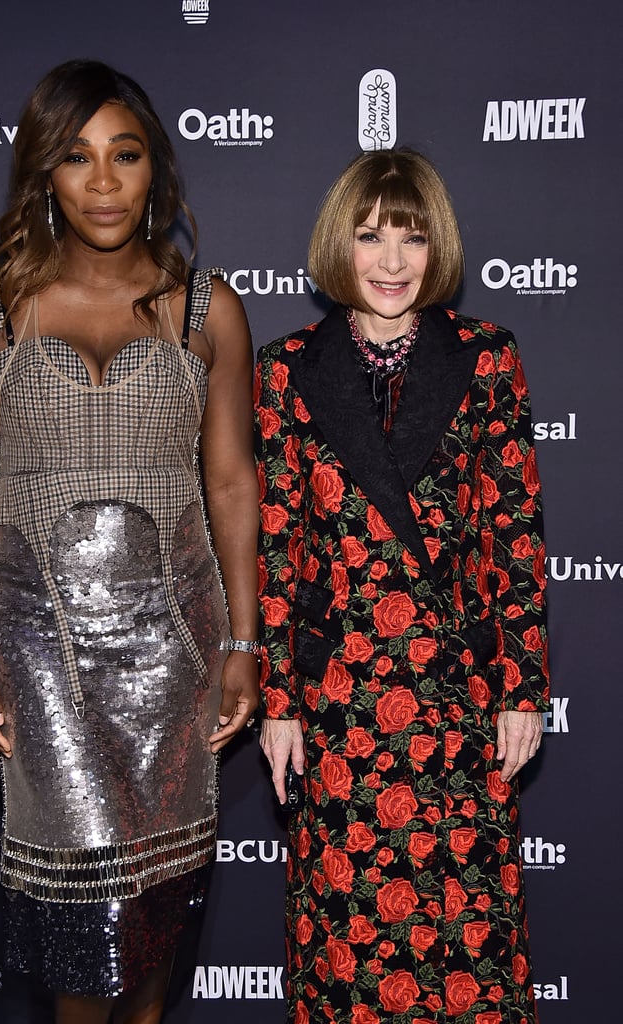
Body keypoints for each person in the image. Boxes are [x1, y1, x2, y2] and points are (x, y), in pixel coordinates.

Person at [0, 59, 260, 1024]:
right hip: (38, 643)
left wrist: (244, 642)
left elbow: (235, 483)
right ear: (44, 173)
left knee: (158, 928)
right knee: (80, 938)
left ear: (155, 169)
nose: (105, 183)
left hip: (178, 643)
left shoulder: (209, 309)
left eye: (126, 155)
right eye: (77, 158)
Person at [255, 149, 549, 1023]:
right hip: (340, 699)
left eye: (412, 239)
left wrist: (522, 685)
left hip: (455, 698)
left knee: (466, 940)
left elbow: (515, 533)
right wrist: (279, 696)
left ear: (438, 249)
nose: (390, 262)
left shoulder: (488, 358)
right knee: (345, 942)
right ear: (337, 245)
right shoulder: (286, 369)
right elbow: (279, 542)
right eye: (371, 235)